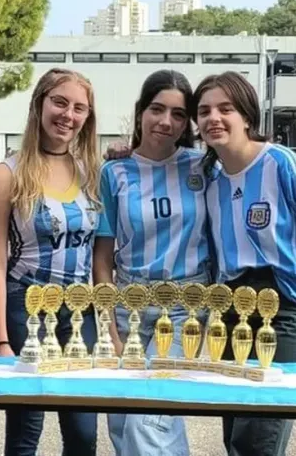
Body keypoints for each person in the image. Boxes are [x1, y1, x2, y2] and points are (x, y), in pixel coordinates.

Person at [192, 71, 296, 456]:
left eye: (226, 108)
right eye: (204, 110)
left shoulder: (281, 163)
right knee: (235, 425)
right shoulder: (208, 175)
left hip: (287, 307)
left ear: (246, 116)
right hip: (232, 307)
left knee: (262, 430)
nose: (214, 118)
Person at [0, 67, 102, 456]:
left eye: (79, 108)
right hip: (27, 307)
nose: (68, 115)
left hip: (81, 313)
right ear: (39, 105)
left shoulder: (92, 172)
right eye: (60, 102)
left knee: (83, 433)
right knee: (25, 430)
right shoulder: (6, 176)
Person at [94, 69, 211, 456]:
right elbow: (103, 258)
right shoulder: (114, 172)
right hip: (127, 307)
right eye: (157, 109)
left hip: (185, 309)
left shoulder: (203, 167)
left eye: (179, 114)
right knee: (123, 423)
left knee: (151, 419)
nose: (166, 121)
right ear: (140, 111)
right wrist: (108, 325)